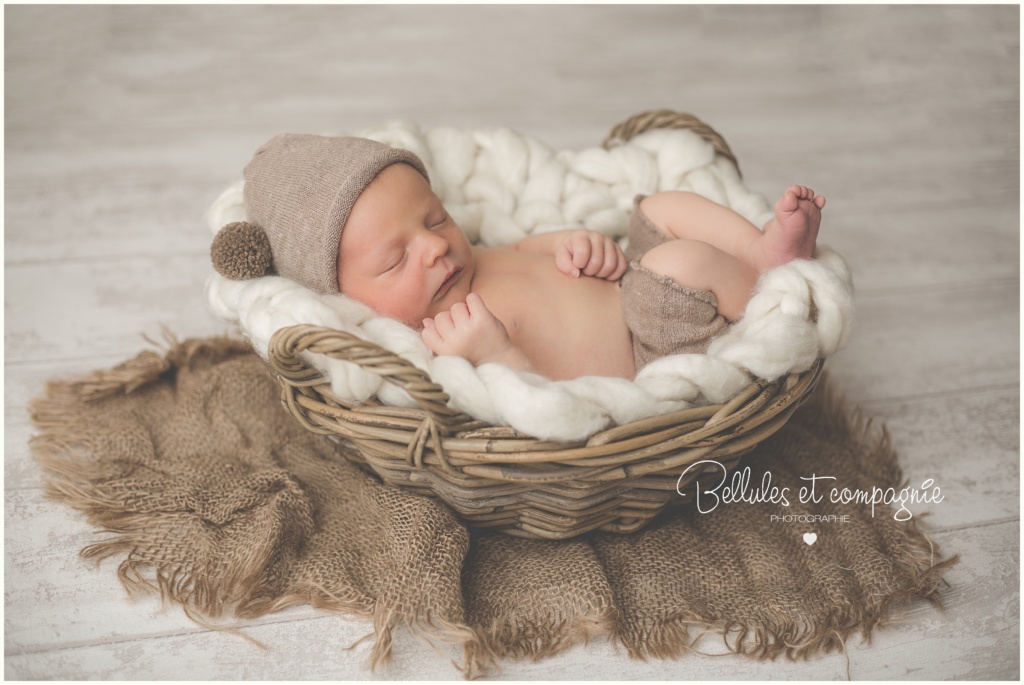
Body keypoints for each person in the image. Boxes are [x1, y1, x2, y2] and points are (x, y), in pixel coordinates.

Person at [211, 134, 824, 381]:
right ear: (344, 299)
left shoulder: (471, 259)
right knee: (682, 263)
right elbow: (529, 412)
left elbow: (534, 250)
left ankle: (763, 249)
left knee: (662, 205)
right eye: (395, 260)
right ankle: (756, 290)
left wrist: (574, 246)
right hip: (651, 352)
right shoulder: (441, 346)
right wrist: (497, 355)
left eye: (434, 219)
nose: (434, 247)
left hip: (641, 293)